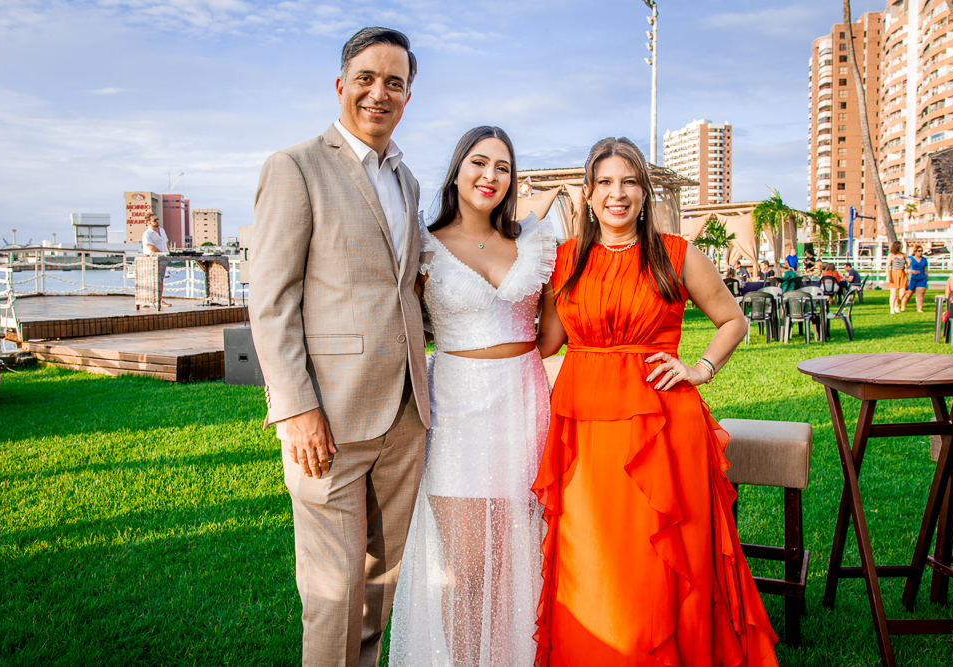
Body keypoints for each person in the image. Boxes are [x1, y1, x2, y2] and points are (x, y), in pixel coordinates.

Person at [532, 137, 778, 666]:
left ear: (645, 194)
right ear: (588, 194)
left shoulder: (678, 253)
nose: (616, 194)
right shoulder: (564, 261)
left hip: (664, 427)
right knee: (593, 558)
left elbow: (733, 320)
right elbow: (546, 342)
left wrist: (701, 368)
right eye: (604, 183)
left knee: (657, 563)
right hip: (584, 430)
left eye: (629, 182)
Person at [248, 27, 431, 667]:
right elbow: (271, 301)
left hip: (408, 415)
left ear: (409, 95)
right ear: (341, 86)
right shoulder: (294, 166)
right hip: (329, 417)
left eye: (395, 83)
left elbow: (404, 291)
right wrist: (295, 409)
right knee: (333, 590)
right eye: (367, 79)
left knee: (386, 581)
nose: (379, 93)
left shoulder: (406, 182)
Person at [389, 126, 560, 667]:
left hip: (525, 407)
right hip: (456, 410)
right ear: (458, 170)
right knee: (464, 572)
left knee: (520, 563)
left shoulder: (535, 243)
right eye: (479, 163)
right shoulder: (421, 243)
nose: (490, 176)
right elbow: (403, 327)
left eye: (503, 167)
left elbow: (553, 334)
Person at [140, 212, 171, 307]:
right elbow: (150, 246)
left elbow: (165, 242)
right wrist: (160, 254)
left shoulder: (162, 230)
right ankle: (148, 300)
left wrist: (168, 253)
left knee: (161, 279)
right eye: (154, 220)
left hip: (163, 259)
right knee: (150, 280)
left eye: (157, 219)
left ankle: (159, 299)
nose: (157, 221)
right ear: (148, 222)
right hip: (152, 259)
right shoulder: (147, 234)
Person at [901, 244, 929, 312]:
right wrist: (911, 271)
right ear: (915, 251)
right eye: (919, 251)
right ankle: (903, 306)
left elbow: (925, 269)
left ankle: (919, 308)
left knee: (920, 294)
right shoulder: (910, 258)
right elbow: (904, 269)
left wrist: (926, 277)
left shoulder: (924, 260)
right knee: (908, 294)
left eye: (921, 251)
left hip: (921, 278)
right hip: (912, 278)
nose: (920, 252)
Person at [886, 240, 908, 314]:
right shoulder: (891, 255)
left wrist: (908, 263)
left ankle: (896, 304)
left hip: (902, 273)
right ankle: (892, 309)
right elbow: (887, 266)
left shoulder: (903, 255)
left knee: (902, 293)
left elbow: (907, 264)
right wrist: (888, 275)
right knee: (893, 293)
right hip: (894, 273)